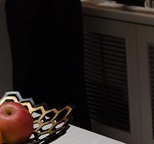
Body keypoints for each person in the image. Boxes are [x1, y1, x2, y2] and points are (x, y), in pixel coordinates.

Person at [6, 0, 92, 129]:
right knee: (29, 79)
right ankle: (31, 131)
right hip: (26, 7)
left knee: (68, 80)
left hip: (59, 7)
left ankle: (76, 134)